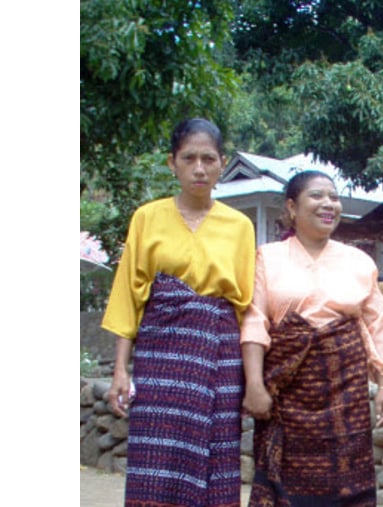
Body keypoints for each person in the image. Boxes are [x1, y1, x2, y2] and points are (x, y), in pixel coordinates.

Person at [103, 118, 256, 507]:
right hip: (160, 355)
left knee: (217, 457)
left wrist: (250, 375)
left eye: (208, 158)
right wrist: (121, 369)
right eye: (189, 158)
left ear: (222, 163)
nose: (199, 168)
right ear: (173, 163)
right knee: (157, 457)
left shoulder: (239, 226)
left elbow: (246, 305)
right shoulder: (147, 218)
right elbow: (128, 296)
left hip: (219, 356)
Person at [240, 170, 383, 506]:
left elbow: (376, 325)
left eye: (334, 197)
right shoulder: (267, 257)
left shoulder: (358, 261)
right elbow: (254, 320)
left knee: (347, 482)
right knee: (283, 483)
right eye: (317, 196)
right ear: (292, 207)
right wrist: (254, 384)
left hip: (345, 390)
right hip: (286, 389)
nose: (329, 204)